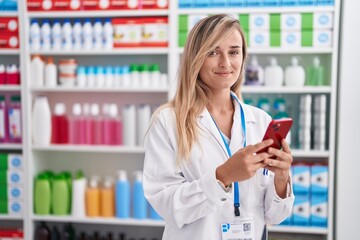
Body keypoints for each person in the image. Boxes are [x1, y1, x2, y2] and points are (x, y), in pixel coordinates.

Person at [143, 14, 294, 240]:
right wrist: (222, 176)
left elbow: (275, 216)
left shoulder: (260, 120)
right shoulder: (168, 121)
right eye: (213, 52)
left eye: (234, 52)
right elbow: (167, 205)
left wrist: (281, 177)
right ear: (196, 58)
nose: (225, 62)